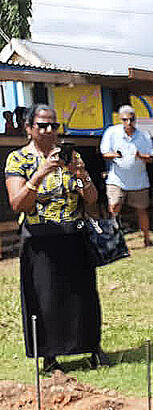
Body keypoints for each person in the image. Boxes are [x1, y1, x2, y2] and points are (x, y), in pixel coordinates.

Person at [4, 104, 108, 373]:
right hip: (40, 240)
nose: (50, 131)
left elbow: (92, 200)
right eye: (42, 125)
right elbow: (18, 204)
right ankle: (49, 356)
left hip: (73, 236)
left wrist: (81, 174)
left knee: (83, 296)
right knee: (45, 299)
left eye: (54, 125)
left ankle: (90, 347)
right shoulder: (19, 159)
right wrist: (41, 173)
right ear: (29, 128)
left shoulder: (70, 157)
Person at [100, 105, 153, 247]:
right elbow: (104, 153)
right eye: (125, 120)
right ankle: (114, 240)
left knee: (142, 210)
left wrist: (140, 156)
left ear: (135, 120)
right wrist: (116, 154)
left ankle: (146, 239)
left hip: (139, 180)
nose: (128, 123)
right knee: (114, 207)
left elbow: (152, 158)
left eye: (131, 119)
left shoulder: (144, 136)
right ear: (120, 120)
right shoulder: (112, 132)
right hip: (116, 179)